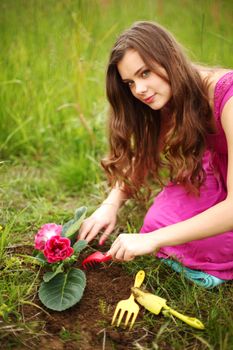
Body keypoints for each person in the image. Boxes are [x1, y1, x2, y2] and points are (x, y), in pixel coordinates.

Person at [79, 21, 233, 288]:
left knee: (201, 241)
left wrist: (153, 240)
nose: (138, 89)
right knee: (157, 221)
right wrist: (111, 204)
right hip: (220, 169)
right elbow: (145, 156)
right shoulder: (172, 94)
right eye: (130, 82)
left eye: (145, 73)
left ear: (171, 59)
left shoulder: (227, 97)